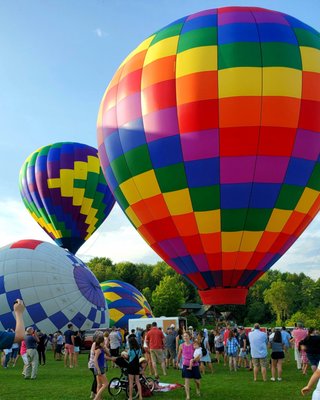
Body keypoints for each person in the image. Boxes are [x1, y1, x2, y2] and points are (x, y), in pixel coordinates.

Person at [177, 331, 201, 400]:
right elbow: (179, 354)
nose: (185, 337)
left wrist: (196, 359)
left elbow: (198, 353)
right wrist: (177, 362)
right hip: (186, 365)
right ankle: (188, 396)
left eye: (186, 336)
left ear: (190, 337)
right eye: (184, 336)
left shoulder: (193, 345)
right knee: (186, 381)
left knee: (197, 381)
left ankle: (198, 389)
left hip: (194, 364)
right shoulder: (181, 345)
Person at [93, 334, 109, 400]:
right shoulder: (98, 350)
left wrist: (105, 348)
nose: (105, 342)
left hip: (100, 367)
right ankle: (96, 398)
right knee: (106, 384)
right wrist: (98, 370)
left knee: (99, 384)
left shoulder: (101, 349)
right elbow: (95, 360)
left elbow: (108, 354)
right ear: (101, 342)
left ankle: (99, 398)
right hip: (99, 368)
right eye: (104, 341)